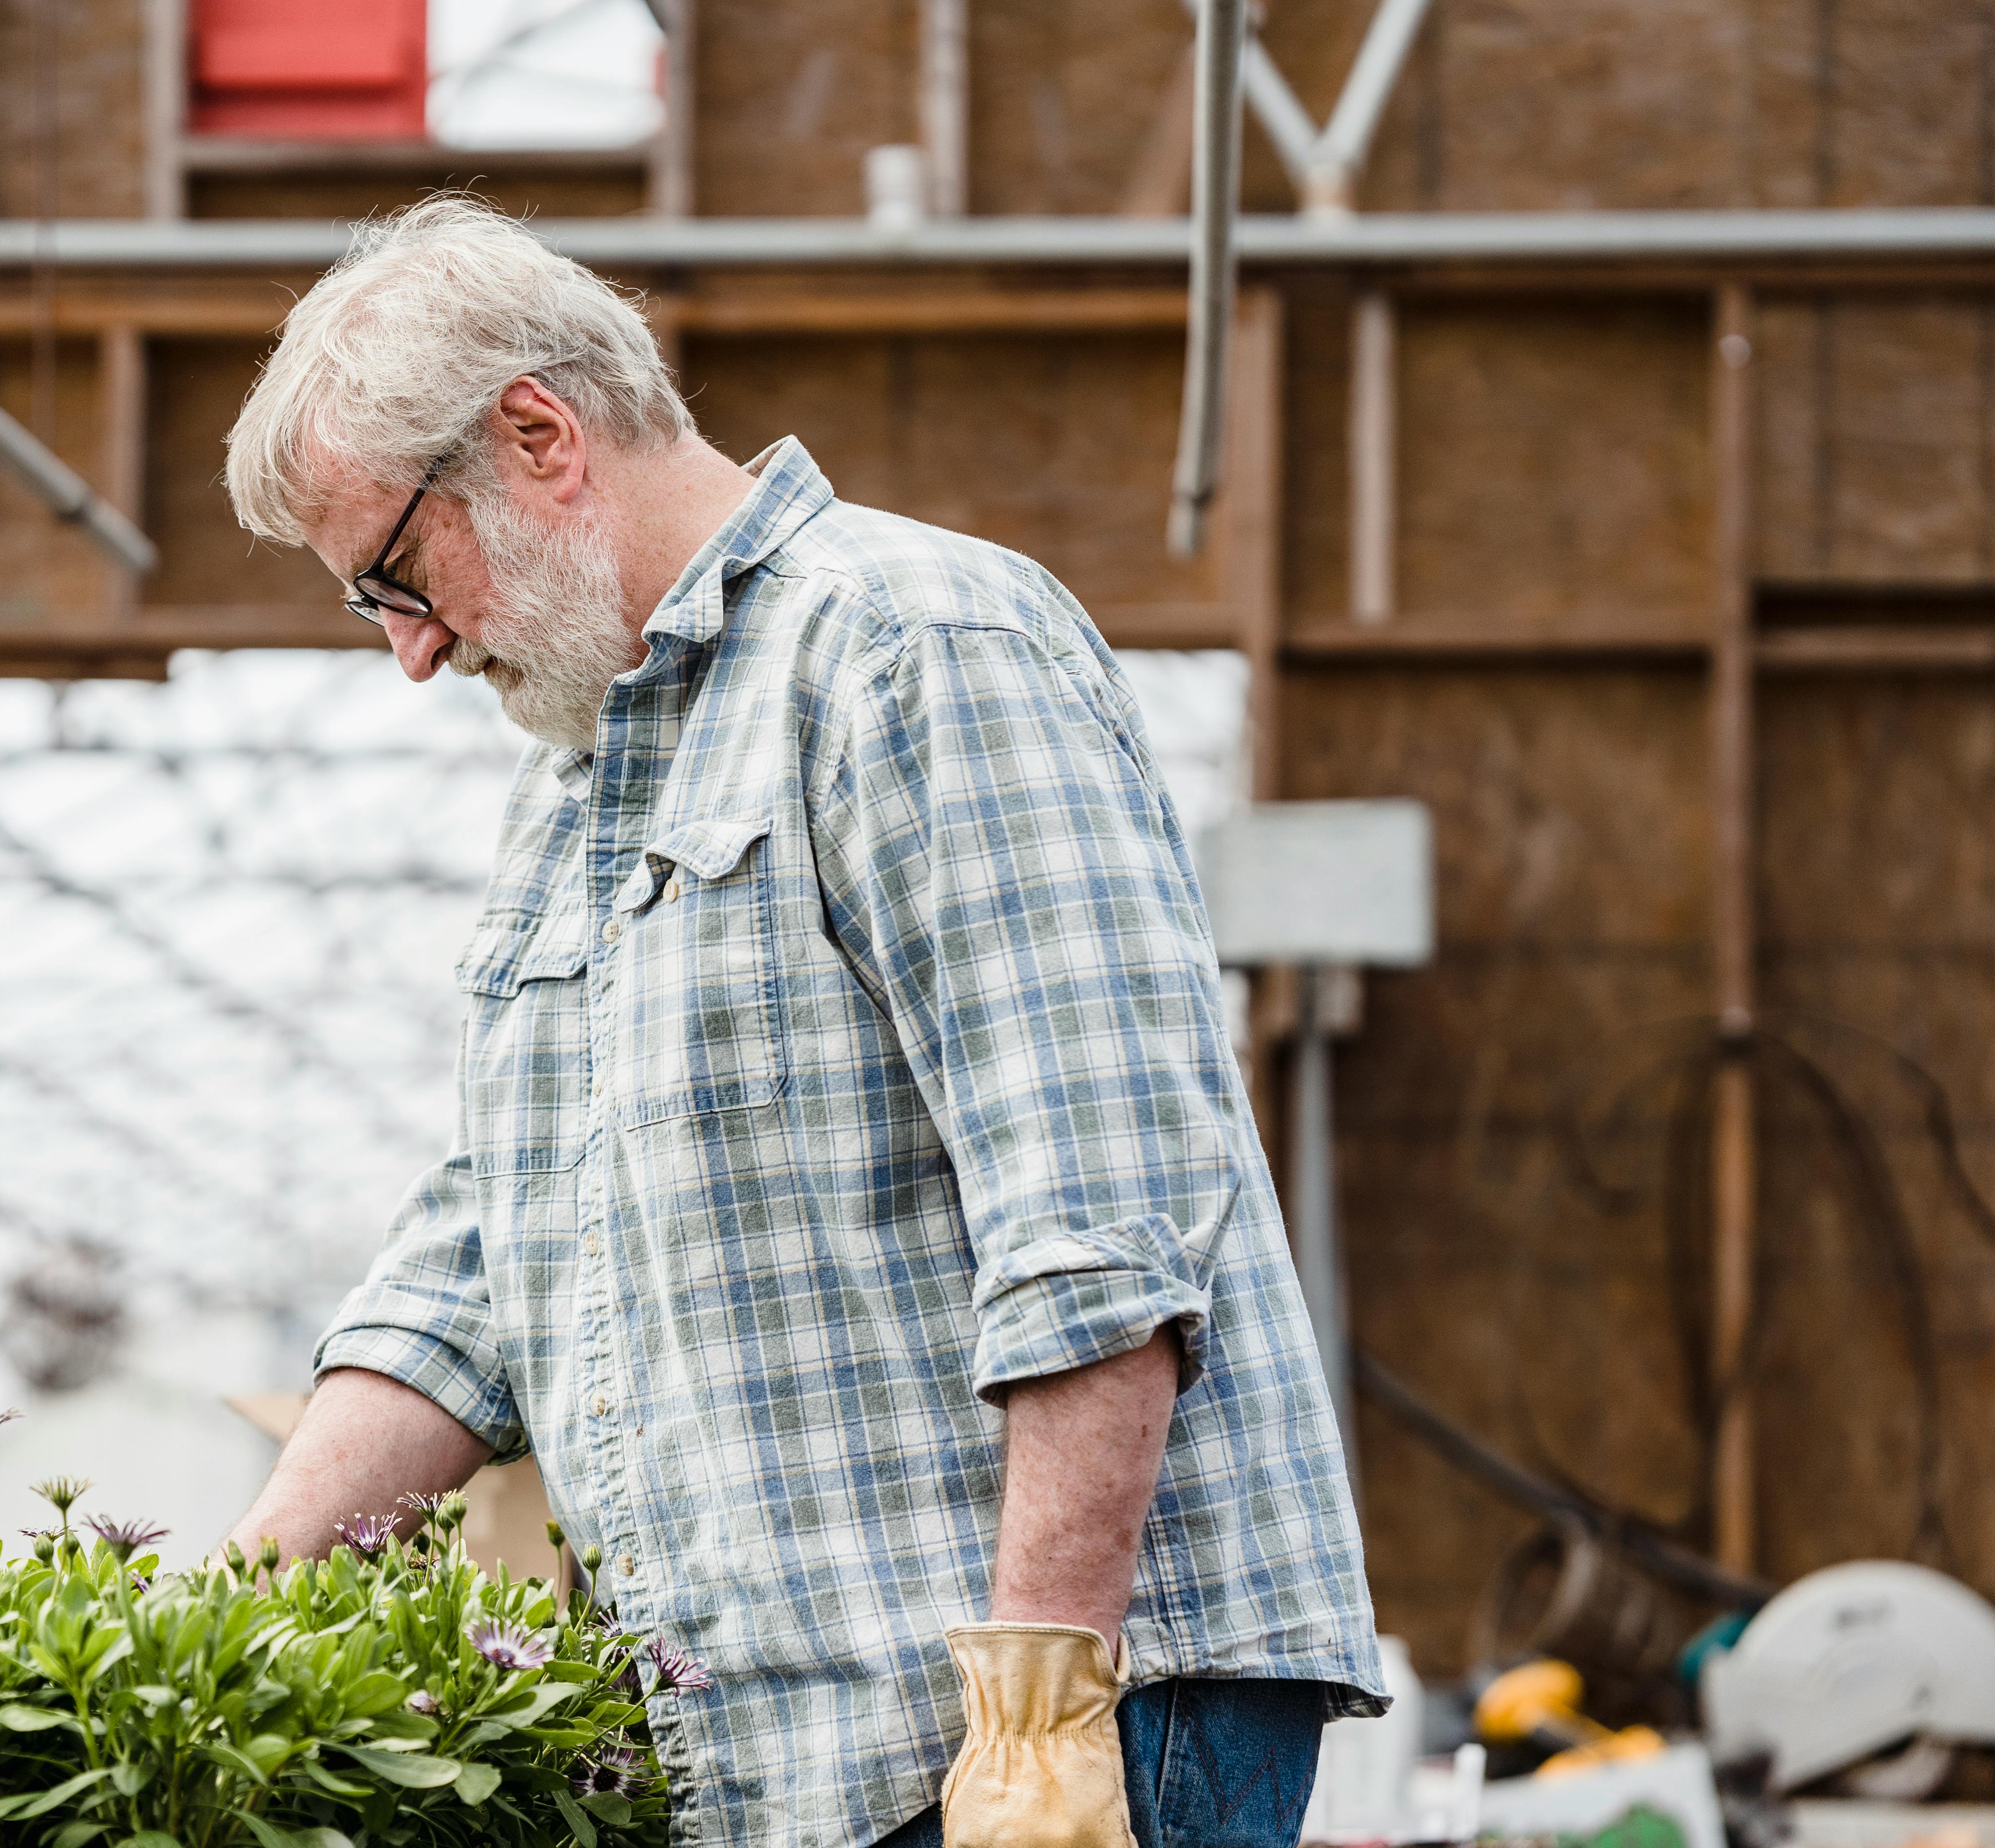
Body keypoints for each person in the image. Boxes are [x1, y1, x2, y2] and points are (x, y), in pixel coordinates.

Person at [220, 198, 1384, 1848]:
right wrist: (219, 1621)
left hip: (1051, 1729)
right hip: (798, 1770)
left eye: (394, 579)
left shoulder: (913, 651)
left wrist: (1040, 1709)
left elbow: (1096, 1197)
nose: (409, 652)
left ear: (538, 437)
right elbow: (482, 1254)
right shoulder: (581, 800)